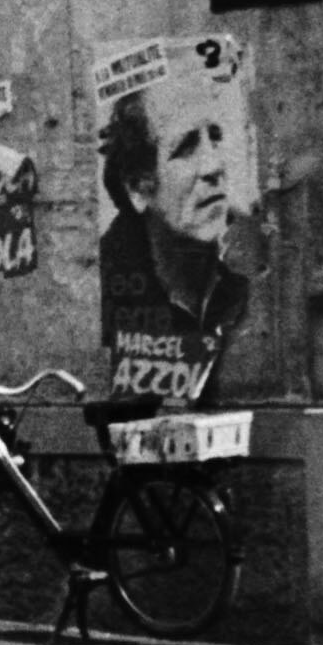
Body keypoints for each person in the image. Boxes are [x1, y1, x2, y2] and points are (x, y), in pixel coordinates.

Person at [96, 70, 252, 402]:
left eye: (215, 137)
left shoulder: (245, 276)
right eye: (186, 147)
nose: (214, 166)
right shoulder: (110, 288)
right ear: (138, 187)